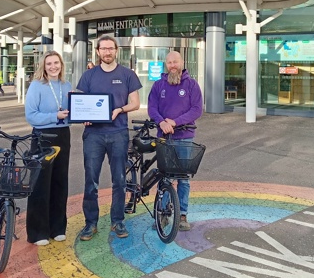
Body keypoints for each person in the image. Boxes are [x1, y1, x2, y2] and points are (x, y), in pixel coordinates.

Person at [76, 35, 142, 241]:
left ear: (116, 51)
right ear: (97, 52)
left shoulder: (127, 74)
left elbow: (136, 103)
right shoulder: (89, 75)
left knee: (120, 180)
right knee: (91, 181)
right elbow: (80, 100)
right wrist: (83, 116)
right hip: (93, 135)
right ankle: (91, 223)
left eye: (110, 49)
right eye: (103, 49)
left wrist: (119, 109)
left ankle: (117, 221)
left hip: (118, 133)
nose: (107, 52)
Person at [147, 51, 203, 231]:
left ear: (182, 62)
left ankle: (182, 215)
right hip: (164, 139)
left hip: (185, 138)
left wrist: (175, 122)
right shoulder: (158, 85)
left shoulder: (192, 85)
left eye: (175, 62)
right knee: (165, 178)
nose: (172, 65)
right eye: (169, 62)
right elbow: (152, 108)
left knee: (183, 179)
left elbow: (196, 110)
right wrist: (162, 122)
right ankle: (163, 213)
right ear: (166, 64)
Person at [24, 50, 71, 246]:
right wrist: (55, 117)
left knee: (60, 182)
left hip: (63, 135)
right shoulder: (36, 86)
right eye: (49, 63)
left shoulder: (66, 85)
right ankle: (38, 232)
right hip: (43, 136)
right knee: (40, 185)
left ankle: (57, 228)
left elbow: (71, 113)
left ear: (61, 65)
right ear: (43, 66)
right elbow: (31, 115)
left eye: (56, 63)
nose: (53, 67)